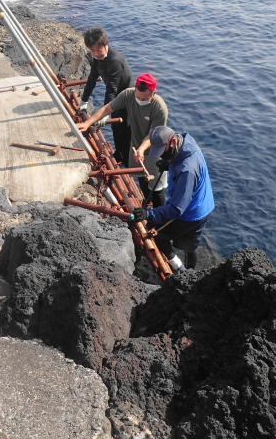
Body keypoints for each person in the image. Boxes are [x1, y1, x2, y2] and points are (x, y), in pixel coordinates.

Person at [76, 73, 169, 207]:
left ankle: (160, 217)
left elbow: (152, 135)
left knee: (156, 188)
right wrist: (88, 123)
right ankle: (146, 204)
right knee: (141, 178)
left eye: (144, 98)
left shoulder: (160, 108)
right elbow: (107, 108)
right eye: (137, 96)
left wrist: (142, 149)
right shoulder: (128, 94)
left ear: (154, 93)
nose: (139, 100)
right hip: (136, 146)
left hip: (154, 151)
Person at [131, 126, 215, 272]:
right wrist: (169, 164)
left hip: (189, 213)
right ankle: (191, 273)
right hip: (204, 206)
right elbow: (178, 157)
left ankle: (180, 270)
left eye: (163, 152)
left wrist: (149, 214)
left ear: (173, 141)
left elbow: (177, 209)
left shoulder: (187, 170)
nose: (162, 156)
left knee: (156, 234)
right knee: (191, 245)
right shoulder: (187, 142)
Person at [78, 27, 134, 164]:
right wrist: (84, 100)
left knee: (125, 130)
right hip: (115, 99)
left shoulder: (115, 61)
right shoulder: (96, 59)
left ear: (106, 45)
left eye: (98, 50)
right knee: (115, 128)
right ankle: (119, 155)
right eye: (92, 51)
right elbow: (92, 79)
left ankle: (127, 161)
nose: (95, 53)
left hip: (127, 100)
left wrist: (105, 113)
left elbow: (111, 89)